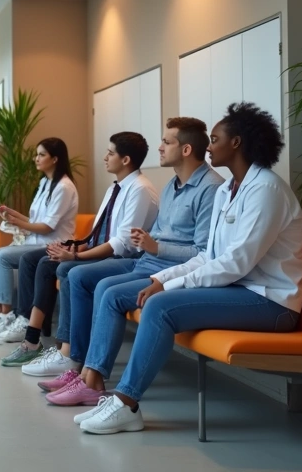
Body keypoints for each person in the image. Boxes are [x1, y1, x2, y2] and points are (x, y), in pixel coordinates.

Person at [72, 103, 302, 435]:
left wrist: (169, 287)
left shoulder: (266, 190)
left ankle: (126, 404)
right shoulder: (228, 189)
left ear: (236, 142)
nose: (208, 147)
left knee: (160, 307)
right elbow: (209, 255)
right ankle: (121, 400)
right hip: (239, 290)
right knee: (155, 298)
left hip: (271, 302)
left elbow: (235, 263)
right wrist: (160, 278)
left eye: (215, 139)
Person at [33, 119, 224, 399]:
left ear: (185, 149)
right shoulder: (172, 185)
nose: (159, 147)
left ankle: (92, 380)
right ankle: (80, 367)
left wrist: (156, 246)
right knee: (78, 275)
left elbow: (204, 252)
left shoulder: (211, 188)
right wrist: (148, 242)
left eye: (166, 142)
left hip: (172, 269)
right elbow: (155, 235)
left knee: (107, 291)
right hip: (147, 260)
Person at [0, 132, 158, 367]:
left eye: (110, 153)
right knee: (40, 260)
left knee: (66, 269)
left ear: (125, 160)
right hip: (104, 250)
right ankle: (33, 339)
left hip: (124, 259)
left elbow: (120, 245)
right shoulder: (116, 188)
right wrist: (73, 246)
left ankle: (68, 350)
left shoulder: (139, 189)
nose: (105, 157)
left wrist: (74, 255)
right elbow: (99, 234)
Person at [0, 138, 79, 335]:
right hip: (35, 240)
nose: (35, 158)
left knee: (3, 258)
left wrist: (17, 223)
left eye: (41, 155)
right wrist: (13, 214)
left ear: (55, 159)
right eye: (36, 154)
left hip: (52, 244)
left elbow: (47, 227)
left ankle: (6, 315)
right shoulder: (45, 183)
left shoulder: (64, 187)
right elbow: (35, 219)